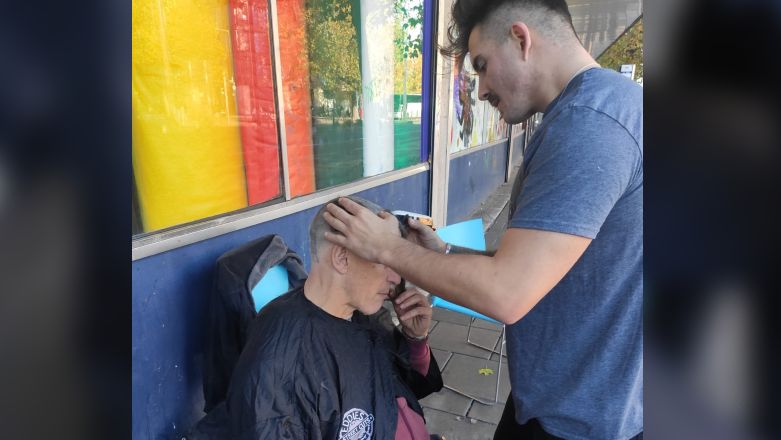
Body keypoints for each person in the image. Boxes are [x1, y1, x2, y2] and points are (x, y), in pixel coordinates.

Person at [321, 1, 643, 439]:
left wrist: (385, 247)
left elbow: (507, 292)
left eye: (482, 66)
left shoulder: (589, 126)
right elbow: (542, 262)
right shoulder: (602, 110)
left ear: (520, 38)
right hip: (567, 398)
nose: (480, 88)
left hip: (578, 421)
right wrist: (446, 253)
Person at [187, 196, 443, 440]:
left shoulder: (368, 317)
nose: (396, 279)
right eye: (383, 261)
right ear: (342, 258)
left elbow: (406, 390)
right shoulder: (280, 359)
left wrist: (416, 339)